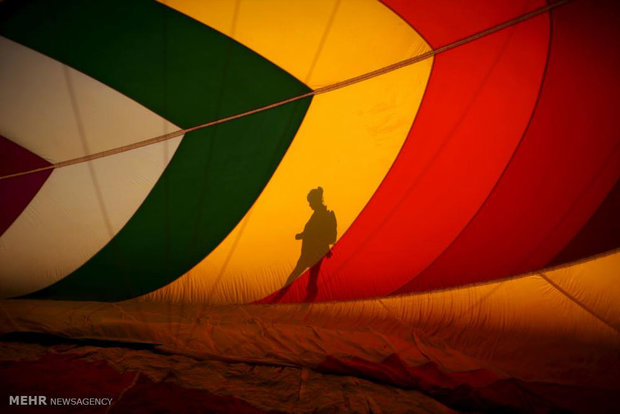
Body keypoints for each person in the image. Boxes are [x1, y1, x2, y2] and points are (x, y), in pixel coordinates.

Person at [283, 187, 337, 295]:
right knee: (311, 280)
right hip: (316, 252)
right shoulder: (319, 214)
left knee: (297, 276)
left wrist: (302, 235)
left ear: (316, 201)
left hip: (313, 252)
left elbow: (316, 234)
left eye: (311, 202)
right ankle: (308, 301)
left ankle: (279, 297)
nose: (309, 204)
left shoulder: (320, 215)